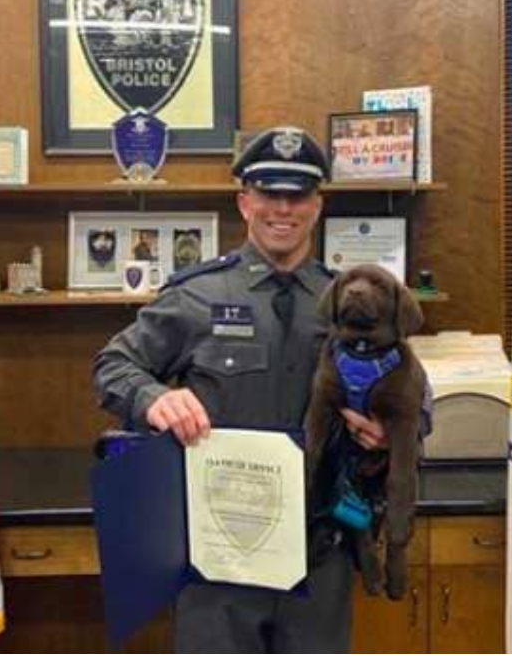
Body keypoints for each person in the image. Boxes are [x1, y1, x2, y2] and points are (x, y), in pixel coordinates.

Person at [93, 125, 395, 652]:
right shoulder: (198, 296)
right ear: (243, 202)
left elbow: (412, 391)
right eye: (268, 194)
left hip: (319, 552)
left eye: (297, 195)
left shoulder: (352, 300)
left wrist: (388, 428)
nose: (282, 209)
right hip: (220, 561)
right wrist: (155, 398)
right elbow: (113, 365)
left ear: (317, 205)